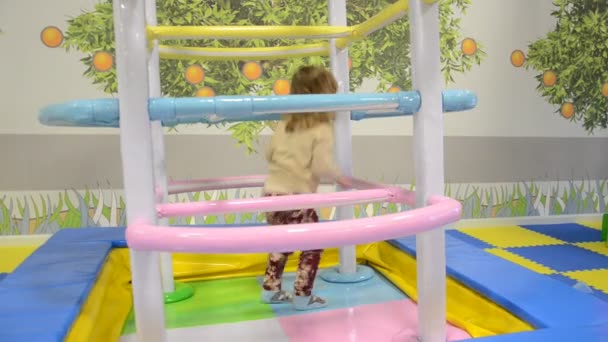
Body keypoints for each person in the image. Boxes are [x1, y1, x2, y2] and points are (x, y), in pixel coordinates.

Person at [261, 65, 351, 311]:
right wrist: (340, 177)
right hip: (297, 198)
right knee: (313, 245)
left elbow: (269, 153)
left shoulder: (286, 122)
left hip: (271, 194)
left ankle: (270, 290)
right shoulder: (322, 129)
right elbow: (321, 165)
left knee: (281, 243)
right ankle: (302, 296)